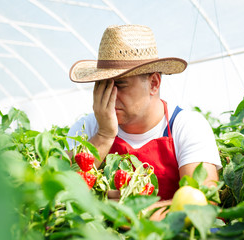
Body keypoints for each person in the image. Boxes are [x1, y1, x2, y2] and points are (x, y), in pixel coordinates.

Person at [67, 24, 222, 218]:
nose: (109, 96)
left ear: (154, 83)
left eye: (120, 85)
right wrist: (104, 135)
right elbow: (60, 195)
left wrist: (134, 213)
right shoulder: (87, 128)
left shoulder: (186, 126)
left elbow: (205, 203)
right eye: (103, 86)